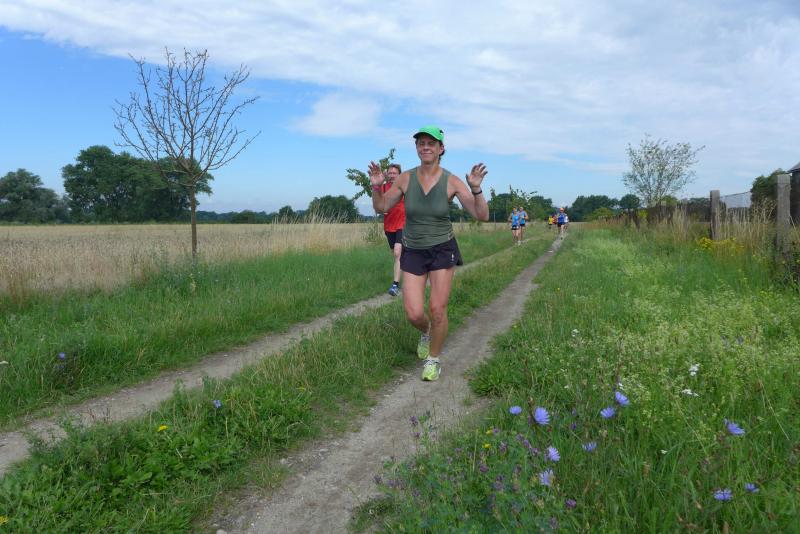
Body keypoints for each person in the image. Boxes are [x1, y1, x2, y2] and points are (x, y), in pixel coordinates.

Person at [369, 125, 489, 381]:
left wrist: (476, 189)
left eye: (431, 143)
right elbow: (381, 207)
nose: (425, 147)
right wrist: (377, 187)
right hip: (413, 248)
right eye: (421, 143)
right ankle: (426, 332)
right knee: (414, 313)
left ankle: (433, 359)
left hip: (442, 248)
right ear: (416, 148)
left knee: (437, 309)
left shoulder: (452, 181)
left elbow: (481, 215)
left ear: (441, 148)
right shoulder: (405, 179)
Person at [380, 163, 405, 296]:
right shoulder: (383, 187)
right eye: (390, 173)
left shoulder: (404, 187)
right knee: (396, 255)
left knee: (397, 253)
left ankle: (395, 285)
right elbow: (378, 204)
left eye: (395, 173)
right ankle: (410, 268)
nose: (392, 175)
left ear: (399, 175)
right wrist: (381, 209)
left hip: (403, 223)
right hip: (389, 225)